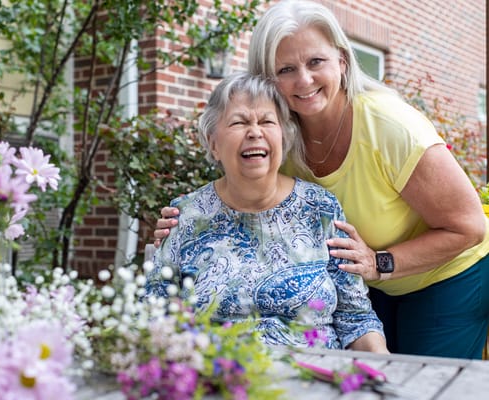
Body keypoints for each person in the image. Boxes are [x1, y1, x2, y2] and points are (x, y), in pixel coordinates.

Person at [154, 0, 489, 359]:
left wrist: (379, 263)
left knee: (424, 382)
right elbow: (249, 202)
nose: (304, 80)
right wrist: (185, 224)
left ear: (341, 62)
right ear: (267, 79)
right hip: (368, 280)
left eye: (316, 62)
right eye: (285, 69)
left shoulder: (389, 127)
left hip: (448, 275)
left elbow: (469, 226)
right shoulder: (281, 131)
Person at [145, 71, 388, 353]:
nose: (254, 132)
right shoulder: (185, 216)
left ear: (284, 138)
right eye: (238, 122)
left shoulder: (320, 208)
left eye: (267, 121)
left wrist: (384, 368)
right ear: (213, 143)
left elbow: (355, 319)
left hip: (315, 379)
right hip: (216, 378)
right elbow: (155, 317)